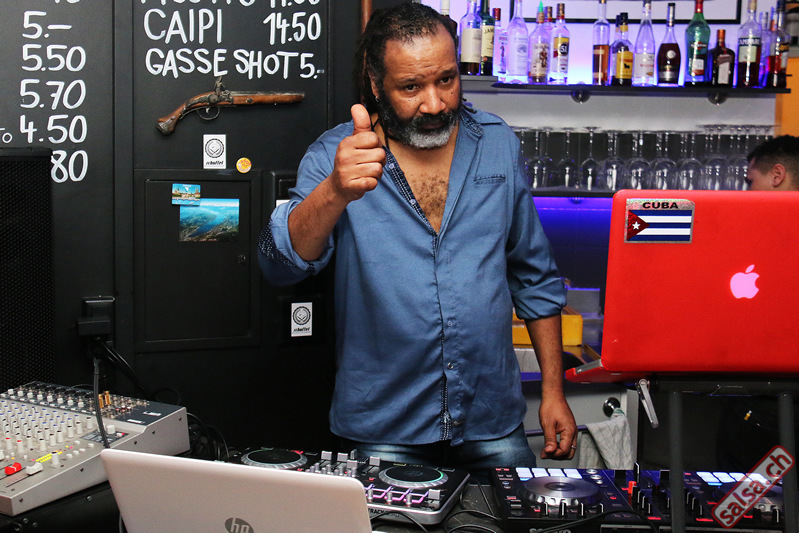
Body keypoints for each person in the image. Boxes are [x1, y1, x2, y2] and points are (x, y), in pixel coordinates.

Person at [257, 3, 576, 475]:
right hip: (385, 426)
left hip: (491, 419)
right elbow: (277, 265)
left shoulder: (497, 144)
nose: (434, 104)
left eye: (446, 80)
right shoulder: (336, 155)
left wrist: (552, 391)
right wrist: (335, 191)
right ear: (375, 84)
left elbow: (534, 275)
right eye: (411, 87)